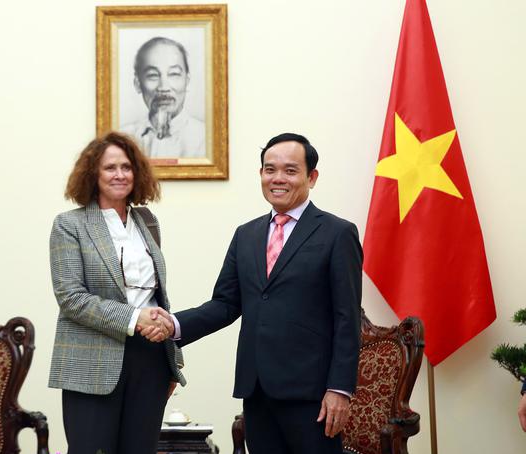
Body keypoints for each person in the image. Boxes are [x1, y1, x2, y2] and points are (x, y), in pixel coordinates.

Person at [143, 133, 363, 454]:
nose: (277, 178)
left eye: (290, 170)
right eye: (269, 169)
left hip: (312, 395)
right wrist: (172, 326)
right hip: (257, 390)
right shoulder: (246, 235)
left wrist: (340, 390)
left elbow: (347, 319)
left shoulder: (337, 233)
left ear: (311, 177)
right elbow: (225, 305)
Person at [48, 131, 185, 454]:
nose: (120, 174)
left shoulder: (148, 222)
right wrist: (136, 318)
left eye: (127, 167)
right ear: (93, 174)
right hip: (91, 361)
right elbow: (71, 298)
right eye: (110, 168)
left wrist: (172, 360)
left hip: (150, 359)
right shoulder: (69, 225)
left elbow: (158, 296)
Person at [121, 36, 206, 159]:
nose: (164, 87)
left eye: (174, 74)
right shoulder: (122, 138)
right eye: (153, 75)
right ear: (138, 84)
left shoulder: (207, 138)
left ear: (186, 81)